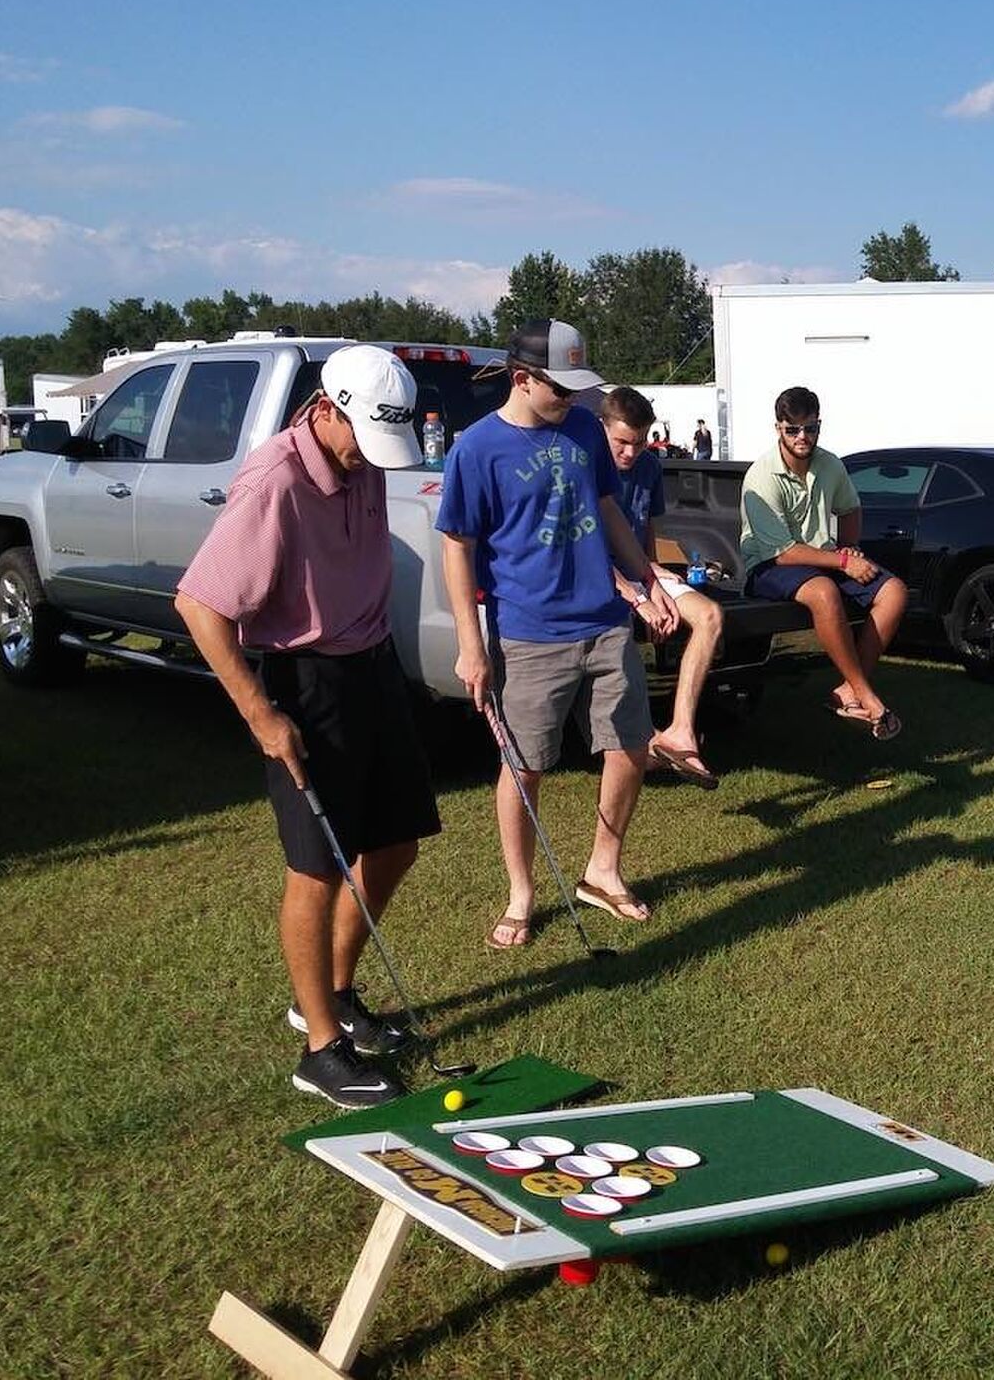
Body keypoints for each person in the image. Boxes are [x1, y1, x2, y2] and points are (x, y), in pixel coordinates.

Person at [175, 345, 440, 1108]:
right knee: (316, 866)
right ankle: (320, 1048)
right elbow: (200, 605)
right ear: (323, 409)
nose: (369, 459)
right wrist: (263, 716)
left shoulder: (362, 462)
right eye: (360, 438)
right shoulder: (275, 481)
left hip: (372, 666)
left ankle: (333, 991)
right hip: (308, 680)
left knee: (396, 841)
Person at [436, 319, 680, 949]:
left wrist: (645, 577)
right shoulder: (477, 449)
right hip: (528, 633)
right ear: (523, 379)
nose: (574, 401)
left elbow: (607, 509)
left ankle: (602, 871)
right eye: (562, 389)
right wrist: (470, 642)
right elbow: (457, 548)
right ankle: (521, 893)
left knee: (629, 748)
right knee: (524, 768)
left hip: (604, 622)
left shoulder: (582, 431)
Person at [739, 385, 907, 738]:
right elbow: (783, 552)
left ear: (819, 426)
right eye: (793, 429)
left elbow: (850, 507)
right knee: (823, 592)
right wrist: (843, 561)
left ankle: (846, 691)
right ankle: (865, 694)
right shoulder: (761, 475)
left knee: (894, 591)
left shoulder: (830, 464)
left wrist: (849, 547)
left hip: (825, 558)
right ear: (778, 428)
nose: (803, 437)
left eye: (811, 428)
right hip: (769, 565)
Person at [600, 386, 724, 788]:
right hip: (600, 579)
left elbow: (646, 532)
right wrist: (641, 599)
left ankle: (680, 731)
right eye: (621, 442)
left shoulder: (650, 467)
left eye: (639, 443)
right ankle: (641, 741)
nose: (630, 453)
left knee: (709, 615)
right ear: (603, 429)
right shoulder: (587, 468)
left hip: (640, 571)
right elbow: (591, 554)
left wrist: (653, 583)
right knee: (619, 637)